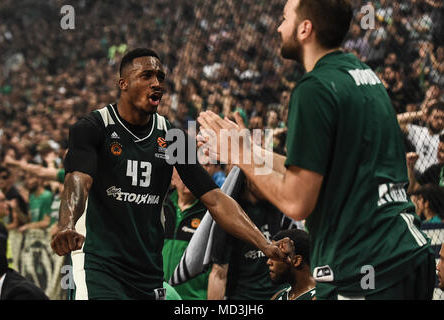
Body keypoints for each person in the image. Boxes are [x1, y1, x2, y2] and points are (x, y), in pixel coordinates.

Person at [197, 0, 436, 300]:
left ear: (304, 29)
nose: (278, 27)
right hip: (405, 252)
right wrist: (250, 149)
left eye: (284, 19)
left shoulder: (315, 88)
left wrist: (238, 157)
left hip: (367, 268)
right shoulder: (363, 75)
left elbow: (297, 201)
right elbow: (310, 172)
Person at [50, 48, 288, 300]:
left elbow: (215, 199)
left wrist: (264, 244)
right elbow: (78, 180)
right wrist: (66, 224)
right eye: (147, 76)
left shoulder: (172, 137)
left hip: (148, 272)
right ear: (124, 83)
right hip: (101, 268)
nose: (157, 83)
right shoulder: (94, 128)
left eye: (161, 77)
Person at [207, 177, 286, 300]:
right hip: (244, 296)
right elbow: (218, 273)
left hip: (279, 293)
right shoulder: (230, 215)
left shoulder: (278, 208)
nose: (270, 184)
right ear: (248, 179)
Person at [162, 169, 209, 299]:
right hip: (162, 295)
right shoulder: (161, 206)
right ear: (172, 178)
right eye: (181, 173)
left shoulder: (209, 212)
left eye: (189, 172)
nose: (186, 178)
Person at [268, 229, 316, 300]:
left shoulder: (322, 296)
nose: (269, 262)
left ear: (296, 261)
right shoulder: (278, 296)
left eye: (275, 256)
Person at [398, 103, 444, 174]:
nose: (440, 122)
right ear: (428, 117)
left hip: (435, 175)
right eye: (436, 117)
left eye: (443, 118)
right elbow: (396, 120)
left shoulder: (443, 135)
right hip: (415, 173)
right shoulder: (419, 131)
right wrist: (421, 113)